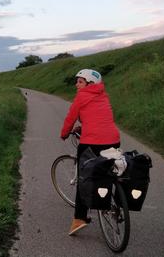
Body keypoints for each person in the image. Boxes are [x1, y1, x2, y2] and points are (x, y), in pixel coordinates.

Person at [60, 69, 120, 236]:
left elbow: (70, 118)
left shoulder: (81, 97)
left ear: (90, 84)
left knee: (84, 178)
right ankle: (118, 204)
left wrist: (64, 133)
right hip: (114, 140)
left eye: (80, 81)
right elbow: (99, 118)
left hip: (91, 144)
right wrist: (84, 126)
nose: (76, 85)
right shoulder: (104, 96)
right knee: (110, 172)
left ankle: (79, 219)